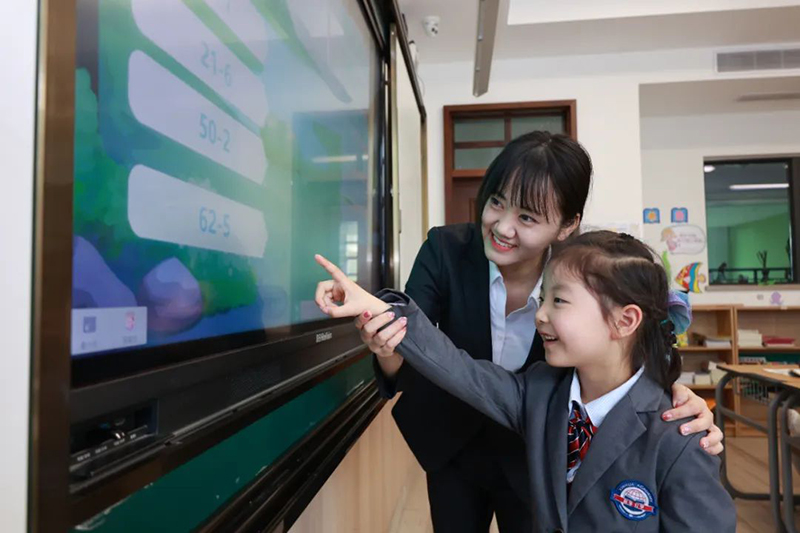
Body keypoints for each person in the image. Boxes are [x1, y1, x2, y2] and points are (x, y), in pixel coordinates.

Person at [324, 131, 723, 532]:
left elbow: (635, 337)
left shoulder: (583, 271)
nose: (502, 226)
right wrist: (385, 321)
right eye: (496, 202)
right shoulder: (446, 250)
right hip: (453, 440)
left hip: (537, 454)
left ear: (567, 225)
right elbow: (440, 358)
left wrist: (667, 394)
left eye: (527, 218)